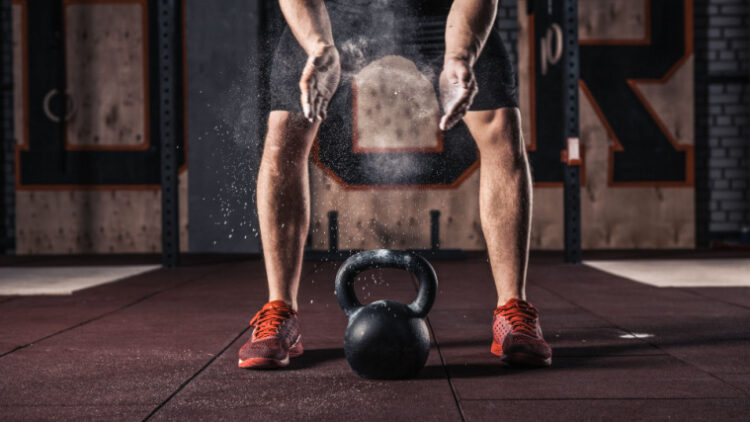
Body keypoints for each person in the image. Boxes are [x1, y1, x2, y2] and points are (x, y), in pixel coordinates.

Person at [238, 0, 552, 369]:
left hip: (439, 13)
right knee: (284, 133)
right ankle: (280, 310)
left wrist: (460, 56)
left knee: (500, 126)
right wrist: (319, 45)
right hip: (337, 12)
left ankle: (513, 309)